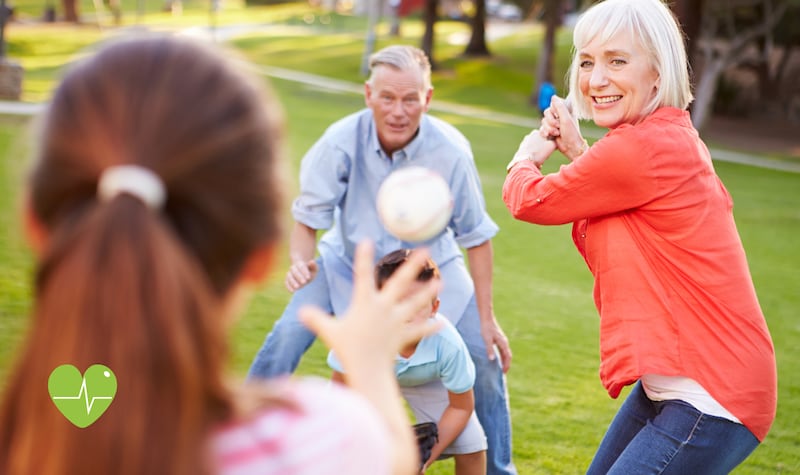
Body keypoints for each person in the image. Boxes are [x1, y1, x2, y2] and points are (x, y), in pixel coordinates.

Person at [0, 35, 444, 475]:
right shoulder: (322, 440)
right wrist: (368, 366)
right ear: (261, 255)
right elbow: (391, 456)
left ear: (35, 227)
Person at [502, 0, 777, 473]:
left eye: (617, 60)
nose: (596, 79)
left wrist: (528, 155)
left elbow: (529, 200)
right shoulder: (665, 136)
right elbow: (625, 222)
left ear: (657, 70)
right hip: (671, 383)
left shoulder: (640, 147)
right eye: (587, 62)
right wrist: (579, 152)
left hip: (712, 393)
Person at [247, 44, 517, 475]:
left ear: (427, 99)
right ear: (368, 94)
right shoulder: (338, 141)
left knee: (483, 357)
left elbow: (477, 238)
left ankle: (501, 469)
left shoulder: (451, 150)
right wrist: (301, 260)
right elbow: (306, 221)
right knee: (286, 336)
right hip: (344, 264)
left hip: (430, 269)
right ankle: (243, 439)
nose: (398, 110)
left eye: (411, 99)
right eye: (387, 97)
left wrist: (487, 318)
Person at [329, 249, 487, 474]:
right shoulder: (359, 334)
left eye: (417, 303)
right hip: (373, 384)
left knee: (472, 445)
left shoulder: (448, 344)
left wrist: (423, 458)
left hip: (428, 381)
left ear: (434, 308)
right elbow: (339, 393)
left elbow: (461, 407)